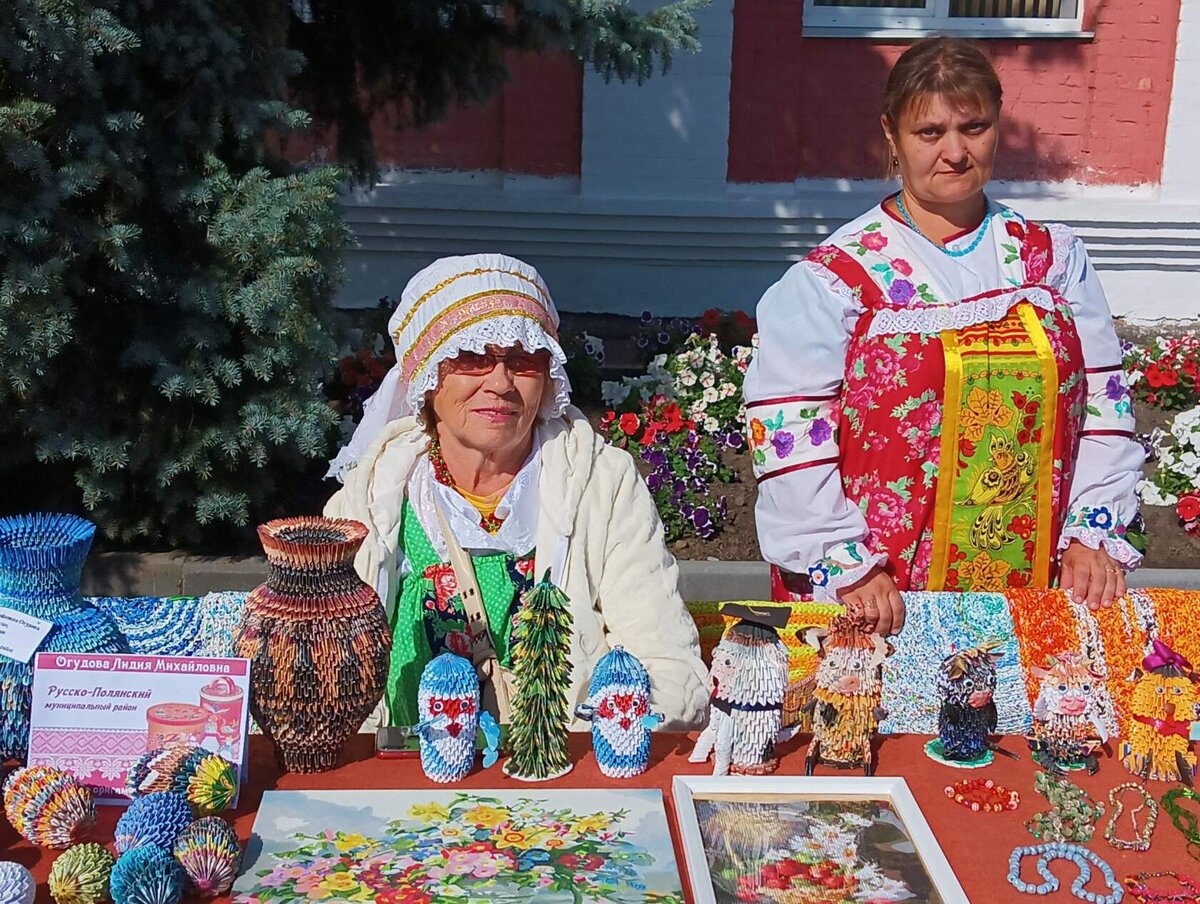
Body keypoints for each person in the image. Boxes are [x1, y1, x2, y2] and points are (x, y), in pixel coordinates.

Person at [744, 37, 1142, 636]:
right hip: (883, 594)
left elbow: (1103, 405)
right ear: (891, 134)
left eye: (974, 127)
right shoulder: (840, 277)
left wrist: (1093, 531)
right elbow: (788, 427)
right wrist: (846, 562)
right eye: (930, 132)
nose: (955, 151)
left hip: (1034, 581)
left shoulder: (1050, 261)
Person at [325, 252, 708, 730]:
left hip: (562, 775)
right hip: (403, 780)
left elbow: (666, 664)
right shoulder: (372, 496)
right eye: (471, 357)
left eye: (523, 359)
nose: (501, 382)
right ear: (425, 376)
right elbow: (322, 673)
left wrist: (597, 746)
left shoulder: (601, 485)